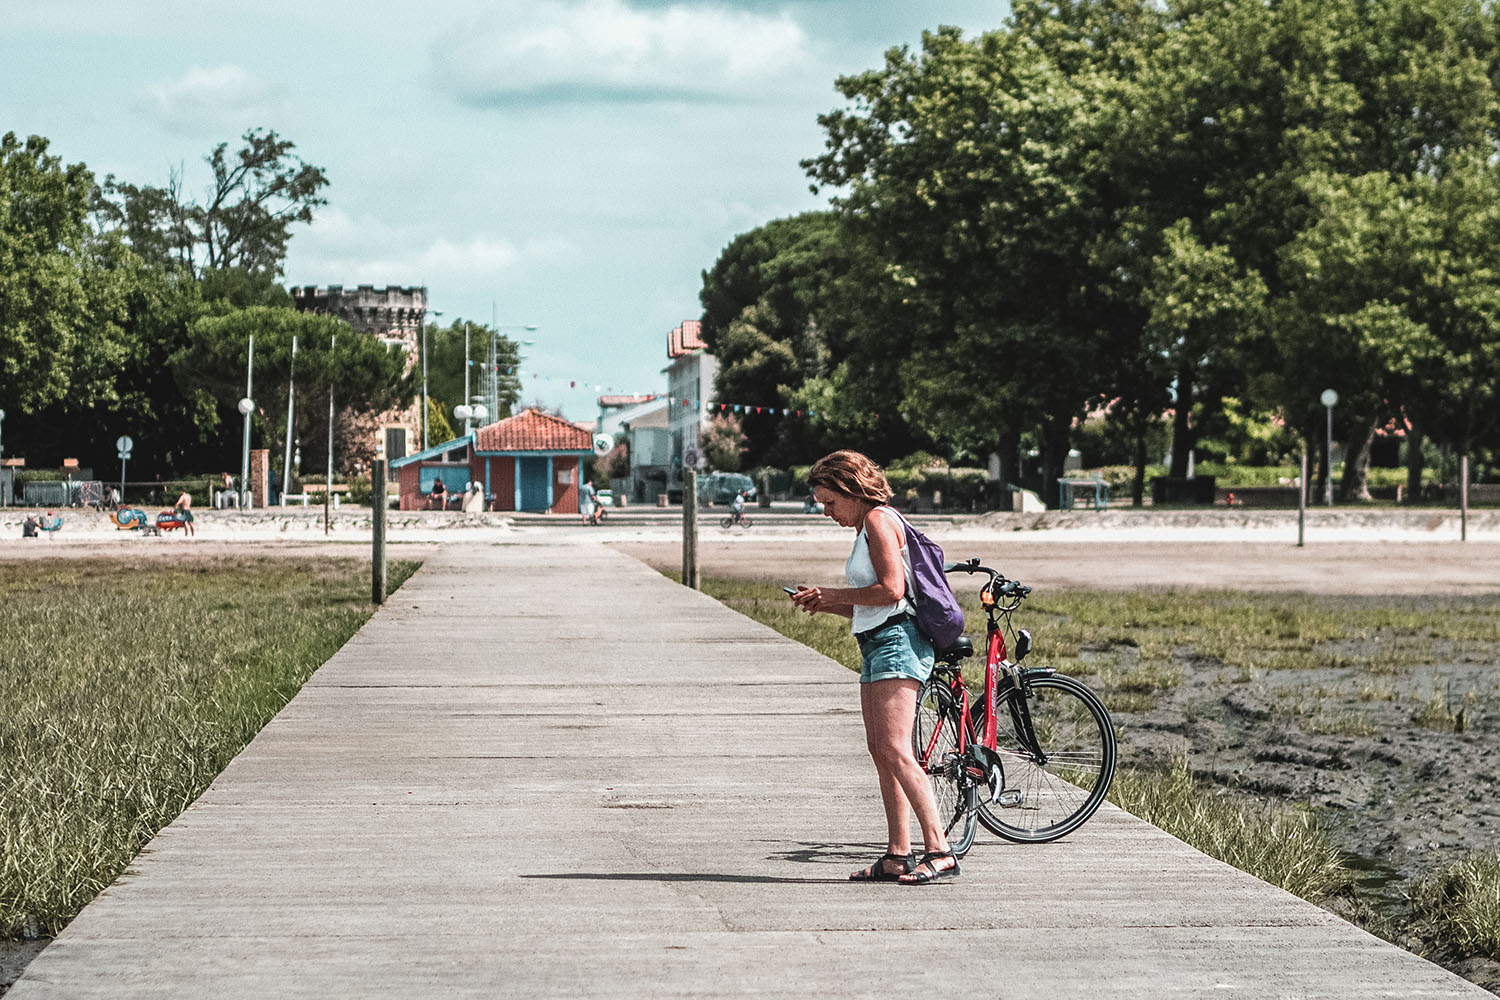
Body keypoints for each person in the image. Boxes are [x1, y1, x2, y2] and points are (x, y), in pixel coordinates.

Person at [790, 450, 957, 885]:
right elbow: (873, 606)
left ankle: (939, 850)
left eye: (830, 502)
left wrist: (835, 591)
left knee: (898, 750)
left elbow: (891, 590)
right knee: (881, 750)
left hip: (898, 642)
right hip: (877, 641)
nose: (827, 512)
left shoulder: (880, 520)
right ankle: (897, 854)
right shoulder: (866, 527)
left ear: (851, 489)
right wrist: (826, 603)